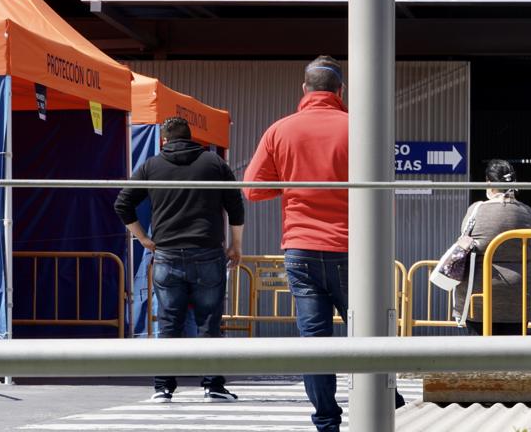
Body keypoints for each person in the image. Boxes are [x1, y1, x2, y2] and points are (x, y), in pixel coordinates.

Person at [242, 56, 403, 432]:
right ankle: (388, 406)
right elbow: (383, 196)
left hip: (300, 249)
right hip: (352, 250)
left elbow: (251, 189)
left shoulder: (280, 130)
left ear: (304, 89)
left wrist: (296, 181)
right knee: (367, 335)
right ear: (340, 91)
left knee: (315, 342)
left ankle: (327, 423)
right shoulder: (359, 128)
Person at [114, 116, 244, 403]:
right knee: (209, 321)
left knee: (169, 321)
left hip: (167, 255)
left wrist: (144, 239)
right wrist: (235, 245)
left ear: (164, 140)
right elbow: (235, 204)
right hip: (207, 252)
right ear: (192, 136)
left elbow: (122, 203)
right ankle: (213, 385)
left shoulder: (151, 165)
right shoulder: (214, 164)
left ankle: (163, 387)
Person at [456, 159, 531, 336]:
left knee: (480, 353)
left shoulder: (476, 210)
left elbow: (465, 241)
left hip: (481, 293)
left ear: (489, 183)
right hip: (520, 293)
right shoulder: (528, 212)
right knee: (513, 355)